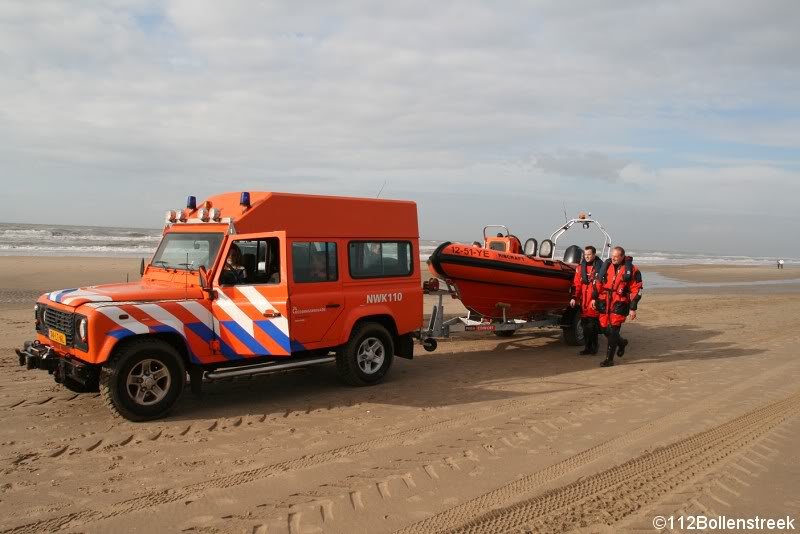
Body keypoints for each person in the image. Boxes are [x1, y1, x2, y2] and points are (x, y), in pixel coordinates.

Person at [591, 246, 643, 367]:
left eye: (616, 256)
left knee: (614, 330)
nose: (613, 258)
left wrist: (633, 308)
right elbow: (598, 282)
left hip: (620, 301)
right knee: (604, 328)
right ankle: (621, 342)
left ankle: (609, 359)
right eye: (612, 256)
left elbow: (637, 290)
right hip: (605, 299)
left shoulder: (632, 270)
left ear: (622, 257)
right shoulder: (606, 266)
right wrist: (594, 298)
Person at [570, 245, 603, 355]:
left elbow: (601, 285)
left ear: (594, 254)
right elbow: (577, 284)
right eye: (585, 255)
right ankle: (587, 348)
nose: (587, 257)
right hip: (584, 300)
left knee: (592, 326)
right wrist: (574, 297)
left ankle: (594, 347)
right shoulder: (580, 268)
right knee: (585, 326)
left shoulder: (600, 267)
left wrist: (596, 299)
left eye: (589, 255)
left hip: (593, 300)